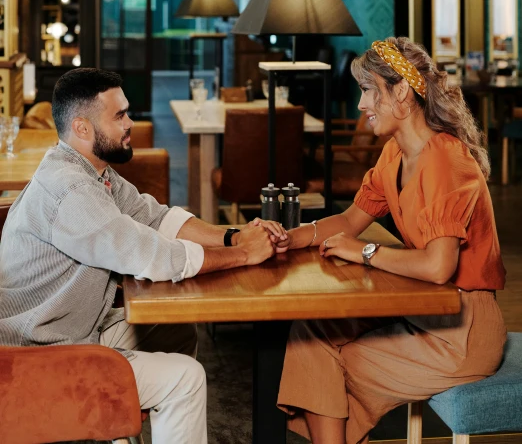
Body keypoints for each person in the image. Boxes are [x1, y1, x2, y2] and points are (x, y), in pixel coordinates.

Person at [0, 68, 287, 444]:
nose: (130, 123)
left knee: (173, 327)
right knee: (185, 379)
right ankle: (114, 417)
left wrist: (232, 237)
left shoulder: (93, 171)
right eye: (119, 116)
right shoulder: (70, 191)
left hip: (75, 331)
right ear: (82, 128)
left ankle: (116, 426)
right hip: (32, 360)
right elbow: (154, 257)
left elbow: (155, 217)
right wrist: (245, 257)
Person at [276, 37, 506, 444]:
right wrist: (287, 239)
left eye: (368, 90)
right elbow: (350, 219)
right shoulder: (394, 155)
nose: (362, 104)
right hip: (420, 309)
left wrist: (364, 251)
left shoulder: (445, 158)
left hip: (461, 330)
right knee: (310, 331)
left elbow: (438, 267)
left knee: (336, 360)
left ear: (401, 91)